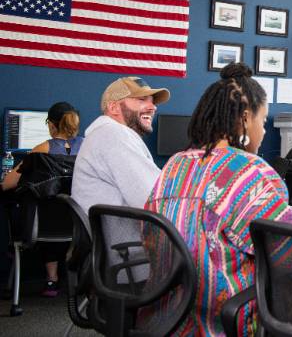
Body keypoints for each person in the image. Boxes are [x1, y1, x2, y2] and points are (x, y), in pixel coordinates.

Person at [145, 63, 292, 336]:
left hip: (166, 314)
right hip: (222, 321)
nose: (264, 131)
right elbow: (291, 261)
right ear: (245, 118)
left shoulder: (175, 164)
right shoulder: (251, 171)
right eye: (263, 121)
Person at [2, 101, 83, 297]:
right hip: (79, 226)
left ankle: (51, 280)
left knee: (40, 209)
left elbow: (7, 185)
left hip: (42, 226)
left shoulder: (40, 150)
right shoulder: (88, 147)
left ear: (51, 125)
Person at [72, 76, 169, 213]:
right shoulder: (113, 135)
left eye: (152, 102)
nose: (153, 107)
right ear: (114, 107)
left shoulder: (105, 134)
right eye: (141, 100)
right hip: (131, 234)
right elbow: (156, 199)